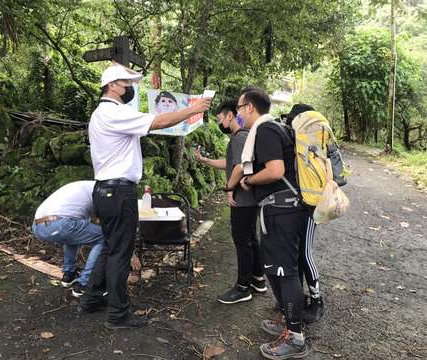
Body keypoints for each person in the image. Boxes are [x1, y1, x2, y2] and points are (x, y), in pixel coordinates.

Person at [78, 63, 212, 329]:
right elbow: (159, 121)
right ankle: (118, 314)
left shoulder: (102, 114)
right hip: (118, 191)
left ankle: (93, 298)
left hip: (106, 190)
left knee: (110, 247)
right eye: (127, 84)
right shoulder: (112, 112)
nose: (130, 89)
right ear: (113, 85)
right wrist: (194, 109)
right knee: (120, 252)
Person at [237, 89, 309, 359]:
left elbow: (275, 171)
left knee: (285, 271)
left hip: (281, 210)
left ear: (250, 108)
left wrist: (249, 181)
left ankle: (296, 337)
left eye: (240, 108)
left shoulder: (265, 130)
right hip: (285, 208)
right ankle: (286, 320)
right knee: (281, 269)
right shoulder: (277, 128)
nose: (238, 113)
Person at [195, 99, 266, 304]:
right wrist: (206, 161)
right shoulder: (242, 137)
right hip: (249, 198)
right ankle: (258, 279)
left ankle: (243, 288)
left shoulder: (239, 137)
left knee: (242, 241)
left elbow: (240, 167)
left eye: (221, 118)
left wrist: (228, 188)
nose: (220, 123)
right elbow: (230, 163)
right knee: (250, 238)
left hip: (243, 199)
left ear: (230, 115)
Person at [284, 103, 325, 324]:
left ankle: (317, 301)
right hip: (299, 205)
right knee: (296, 252)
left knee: (304, 253)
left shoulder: (310, 143)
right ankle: (298, 297)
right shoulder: (299, 141)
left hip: (310, 207)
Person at [31, 181, 104, 298]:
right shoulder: (103, 190)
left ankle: (69, 275)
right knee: (104, 237)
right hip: (59, 224)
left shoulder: (85, 187)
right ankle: (85, 283)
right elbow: (108, 224)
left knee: (75, 233)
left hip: (37, 226)